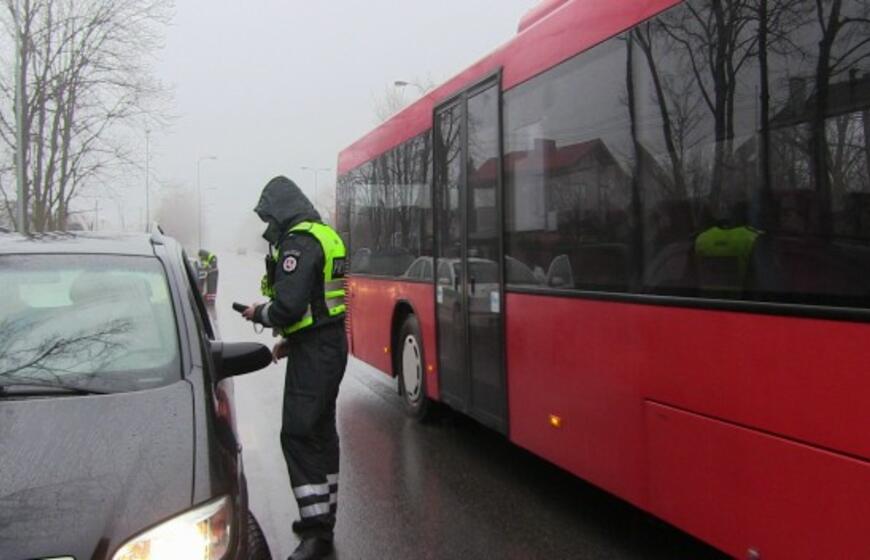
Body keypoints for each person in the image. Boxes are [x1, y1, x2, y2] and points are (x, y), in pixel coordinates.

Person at [242, 176, 348, 560]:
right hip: (330, 344)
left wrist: (261, 313)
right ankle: (325, 519)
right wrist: (292, 339)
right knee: (321, 432)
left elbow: (288, 305)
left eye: (270, 216)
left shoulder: (298, 241)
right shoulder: (325, 234)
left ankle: (315, 533)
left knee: (298, 434)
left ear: (281, 208)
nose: (269, 225)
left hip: (315, 352)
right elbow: (323, 302)